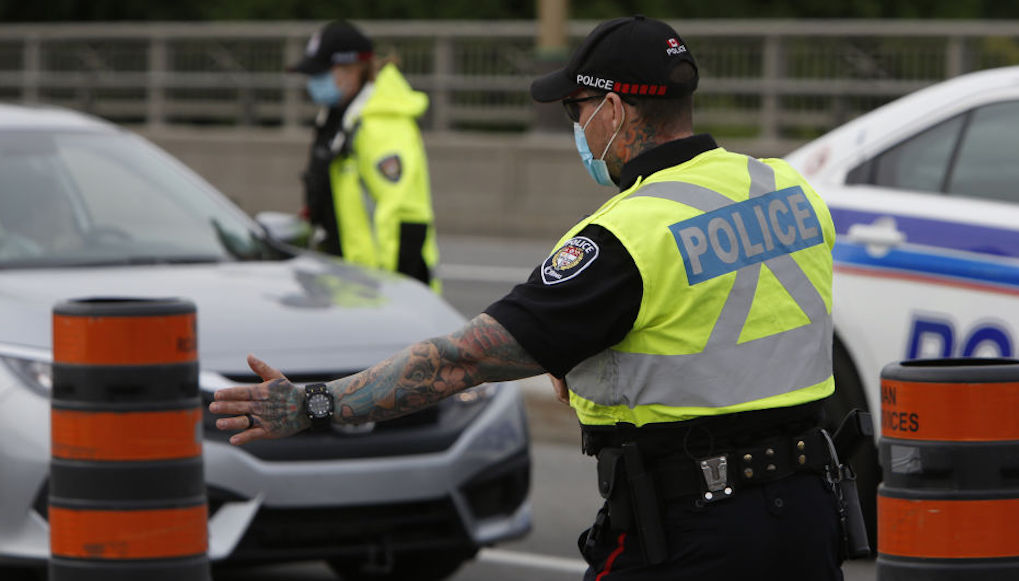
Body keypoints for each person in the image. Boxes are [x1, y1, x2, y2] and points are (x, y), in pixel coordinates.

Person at [213, 15, 846, 579]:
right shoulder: (787, 188)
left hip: (692, 532)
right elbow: (731, 323)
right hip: (810, 515)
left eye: (577, 110)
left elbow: (464, 359)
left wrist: (316, 402)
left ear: (616, 110)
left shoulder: (628, 234)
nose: (577, 127)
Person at [290, 20, 440, 289]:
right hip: (348, 286)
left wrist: (395, 294)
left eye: (321, 73)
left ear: (352, 70)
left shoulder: (381, 125)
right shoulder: (338, 118)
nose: (313, 83)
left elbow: (405, 218)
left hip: (380, 292)